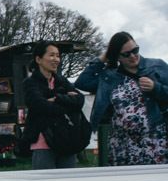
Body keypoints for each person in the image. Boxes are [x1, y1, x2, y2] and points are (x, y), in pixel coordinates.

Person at [76, 32, 168, 166]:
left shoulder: (157, 66)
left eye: (135, 50)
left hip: (155, 141)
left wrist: (156, 88)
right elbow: (82, 82)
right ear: (116, 56)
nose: (132, 56)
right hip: (122, 145)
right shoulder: (109, 77)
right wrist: (103, 58)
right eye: (126, 54)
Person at [22, 42, 87, 169]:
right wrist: (67, 101)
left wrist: (57, 98)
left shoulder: (61, 81)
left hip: (66, 139)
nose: (56, 59)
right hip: (43, 141)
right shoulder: (30, 83)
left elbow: (80, 100)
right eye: (51, 55)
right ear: (38, 59)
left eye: (58, 56)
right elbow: (40, 106)